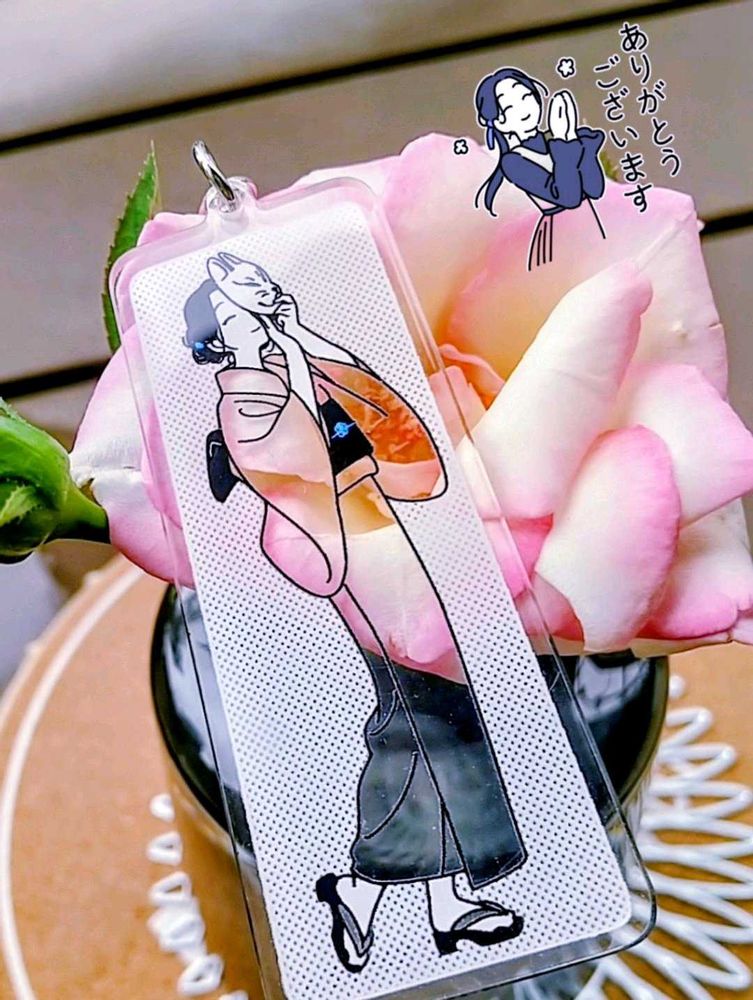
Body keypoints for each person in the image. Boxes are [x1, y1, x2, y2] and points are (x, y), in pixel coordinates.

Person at [182, 251, 526, 973]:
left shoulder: (291, 363)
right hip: (347, 559)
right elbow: (322, 459)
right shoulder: (241, 402)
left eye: (262, 300)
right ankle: (368, 882)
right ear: (218, 338)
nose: (261, 315)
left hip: (391, 548)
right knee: (418, 716)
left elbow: (397, 433)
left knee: (433, 715)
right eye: (243, 312)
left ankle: (429, 900)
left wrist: (305, 336)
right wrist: (293, 357)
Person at [474, 66, 607, 269]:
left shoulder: (557, 140)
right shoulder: (514, 162)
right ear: (498, 122)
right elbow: (567, 197)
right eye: (510, 107)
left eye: (526, 97)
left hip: (589, 222)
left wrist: (571, 136)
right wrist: (564, 140)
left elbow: (594, 188)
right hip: (559, 240)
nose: (524, 108)